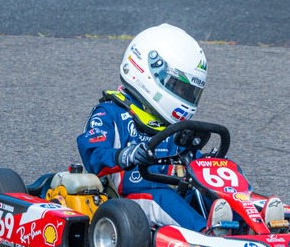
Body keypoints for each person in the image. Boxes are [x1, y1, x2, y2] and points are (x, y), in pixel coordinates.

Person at [77, 23, 278, 234]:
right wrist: (128, 155)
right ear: (146, 70)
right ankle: (207, 235)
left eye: (189, 91)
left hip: (176, 192)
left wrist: (208, 164)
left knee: (210, 191)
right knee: (164, 198)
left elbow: (188, 160)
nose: (184, 95)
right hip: (130, 201)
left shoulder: (172, 126)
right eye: (178, 87)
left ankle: (254, 227)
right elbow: (93, 155)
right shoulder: (109, 113)